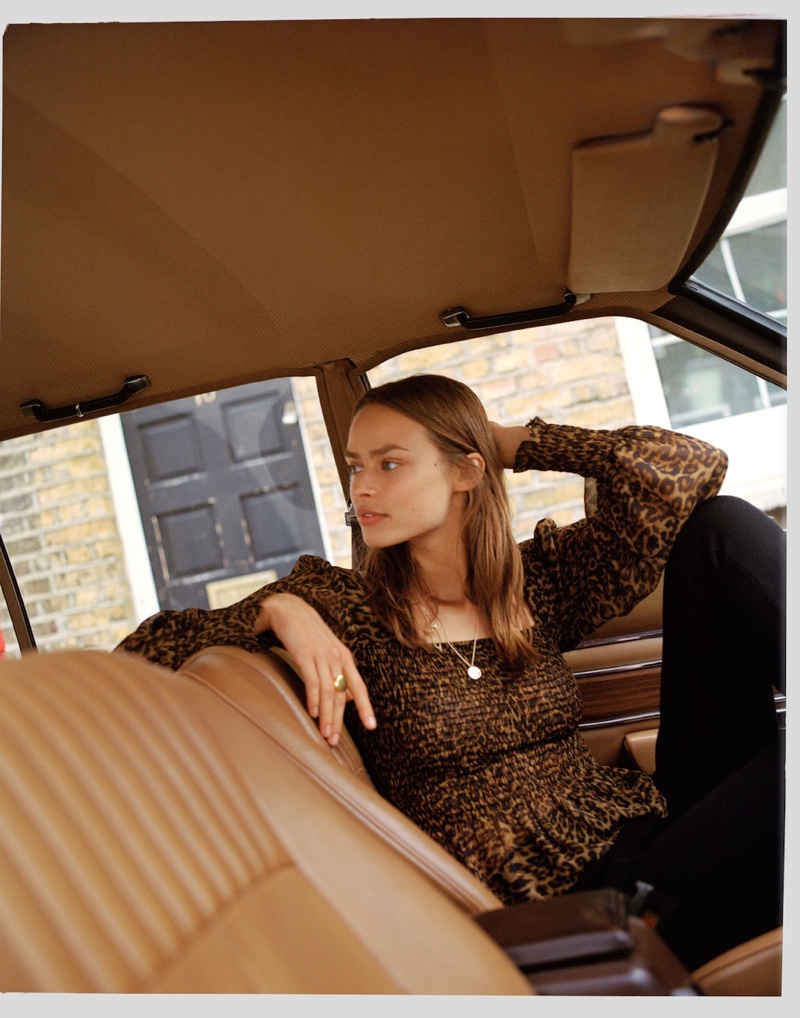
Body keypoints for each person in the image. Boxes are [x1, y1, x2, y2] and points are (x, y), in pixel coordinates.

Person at [116, 373, 785, 972]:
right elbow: (144, 649)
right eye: (356, 466)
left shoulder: (540, 582)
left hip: (657, 814)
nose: (363, 487)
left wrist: (507, 442)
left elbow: (688, 469)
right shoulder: (349, 606)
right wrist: (279, 609)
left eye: (391, 463)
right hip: (595, 895)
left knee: (718, 529)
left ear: (465, 473)